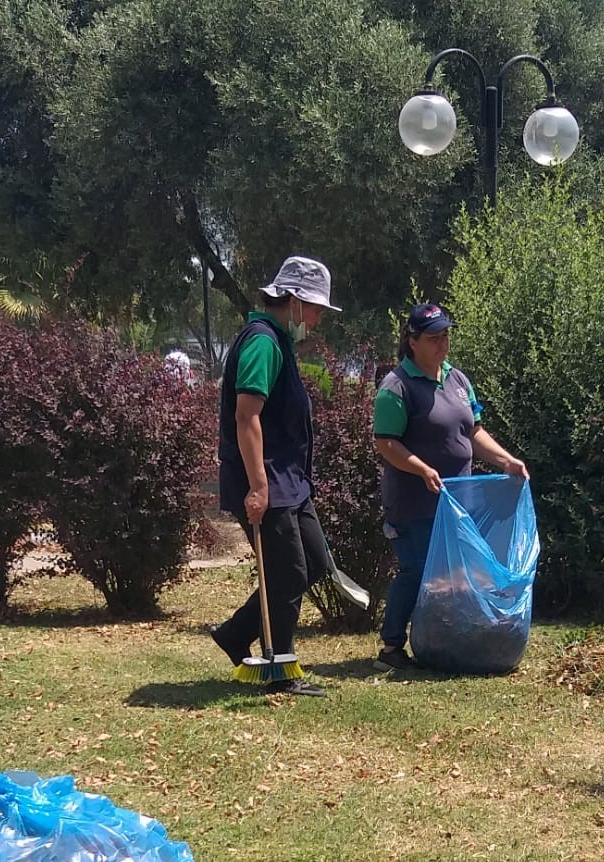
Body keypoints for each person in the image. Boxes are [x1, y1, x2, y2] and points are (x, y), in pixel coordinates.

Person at [210, 255, 339, 696]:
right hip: (267, 481)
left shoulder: (280, 342)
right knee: (285, 573)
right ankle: (279, 669)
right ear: (295, 301)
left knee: (315, 563)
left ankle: (233, 633)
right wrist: (260, 486)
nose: (319, 319)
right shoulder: (263, 342)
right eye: (318, 309)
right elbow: (247, 418)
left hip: (291, 483)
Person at [372, 302, 527, 668]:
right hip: (415, 502)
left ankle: (445, 638)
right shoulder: (396, 387)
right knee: (417, 568)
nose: (442, 344)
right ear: (412, 342)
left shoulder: (457, 380)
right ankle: (391, 647)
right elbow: (386, 443)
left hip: (458, 502)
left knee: (451, 574)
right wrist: (422, 469)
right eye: (433, 338)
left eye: (445, 336)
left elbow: (472, 431)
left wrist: (506, 460)